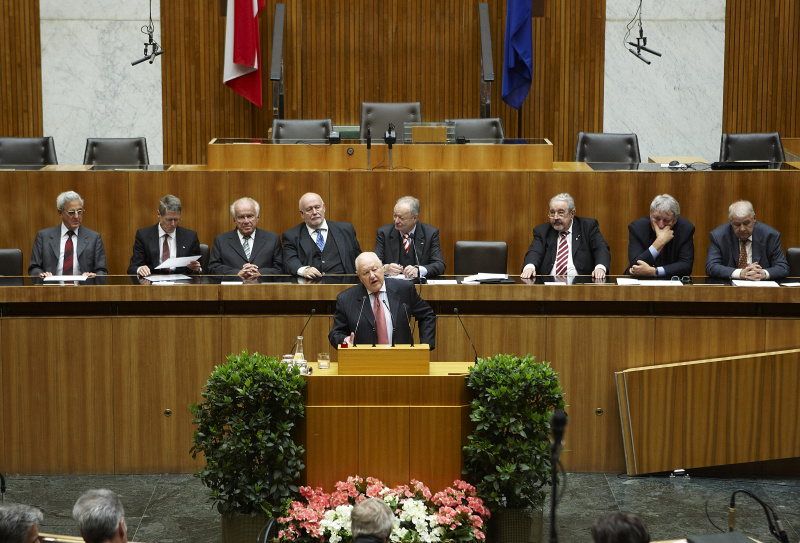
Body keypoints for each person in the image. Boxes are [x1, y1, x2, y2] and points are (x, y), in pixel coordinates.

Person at [329, 252, 436, 348]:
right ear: (359, 276)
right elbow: (336, 334)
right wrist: (344, 341)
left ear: (382, 267)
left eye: (375, 269)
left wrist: (425, 345)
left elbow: (427, 315)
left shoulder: (404, 289)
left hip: (401, 360)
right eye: (366, 273)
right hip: (364, 363)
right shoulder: (346, 299)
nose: (372, 276)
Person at [521, 193, 610, 280]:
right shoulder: (542, 231)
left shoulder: (587, 227)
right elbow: (535, 252)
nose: (555, 217)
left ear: (572, 214)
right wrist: (530, 267)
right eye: (552, 213)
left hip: (581, 286)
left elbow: (601, 249)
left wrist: (600, 268)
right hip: (548, 286)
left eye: (560, 213)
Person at [28, 191, 108, 277]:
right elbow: (33, 268)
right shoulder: (43, 236)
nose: (77, 216)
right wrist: (41, 274)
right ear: (60, 213)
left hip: (83, 289)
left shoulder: (94, 238)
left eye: (80, 211)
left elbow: (102, 271)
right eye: (71, 212)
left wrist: (94, 275)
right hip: (52, 288)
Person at [282, 192, 362, 278]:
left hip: (345, 285)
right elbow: (289, 261)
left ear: (323, 208)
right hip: (309, 286)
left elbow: (359, 258)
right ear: (302, 214)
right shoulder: (291, 236)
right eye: (309, 209)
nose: (315, 212)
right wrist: (304, 270)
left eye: (317, 207)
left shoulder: (346, 230)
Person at [706, 200, 789, 281]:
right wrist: (740, 273)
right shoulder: (719, 236)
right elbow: (711, 266)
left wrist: (763, 273)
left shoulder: (770, 236)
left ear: (754, 218)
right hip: (730, 290)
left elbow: (782, 267)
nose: (742, 229)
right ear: (731, 222)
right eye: (737, 224)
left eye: (746, 223)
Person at [127, 194, 202, 276]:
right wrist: (140, 269)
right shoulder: (143, 235)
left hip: (181, 285)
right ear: (158, 214)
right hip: (152, 284)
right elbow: (132, 268)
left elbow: (197, 269)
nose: (173, 224)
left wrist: (196, 269)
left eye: (176, 219)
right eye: (169, 219)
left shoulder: (190, 237)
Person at [208, 197, 283, 279]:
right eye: (241, 217)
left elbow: (280, 269)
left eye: (250, 216)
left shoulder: (272, 239)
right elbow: (213, 268)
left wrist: (259, 273)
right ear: (234, 220)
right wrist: (237, 273)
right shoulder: (221, 240)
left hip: (263, 289)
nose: (246, 221)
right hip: (231, 289)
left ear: (258, 217)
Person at [374, 196, 445, 279]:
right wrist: (386, 268)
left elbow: (439, 265)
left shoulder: (430, 233)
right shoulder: (383, 233)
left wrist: (418, 270)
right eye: (395, 216)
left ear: (415, 218)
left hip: (420, 287)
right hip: (392, 286)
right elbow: (374, 263)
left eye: (401, 218)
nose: (396, 221)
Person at [626, 194, 694, 277]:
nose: (661, 225)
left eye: (667, 220)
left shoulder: (686, 228)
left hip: (672, 284)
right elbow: (634, 266)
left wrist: (655, 271)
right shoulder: (637, 228)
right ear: (650, 215)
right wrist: (660, 241)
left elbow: (686, 265)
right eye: (657, 218)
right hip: (638, 282)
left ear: (675, 220)